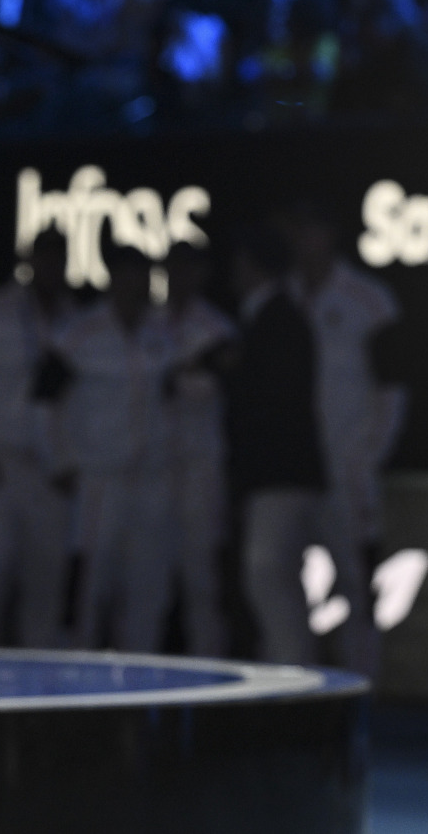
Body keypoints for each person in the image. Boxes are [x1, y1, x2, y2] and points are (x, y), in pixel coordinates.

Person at [285, 204, 396, 676]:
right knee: (286, 585)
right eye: (297, 229)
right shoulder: (281, 297)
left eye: (312, 227)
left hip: (347, 468)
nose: (303, 239)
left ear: (330, 233)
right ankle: (301, 703)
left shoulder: (370, 300)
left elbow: (395, 386)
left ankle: (361, 697)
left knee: (357, 583)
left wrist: (369, 454)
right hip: (290, 469)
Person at [0, 230, 76, 647]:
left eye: (59, 258)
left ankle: (40, 697)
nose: (52, 266)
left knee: (46, 579)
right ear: (29, 261)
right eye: (44, 257)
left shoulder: (77, 320)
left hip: (50, 473)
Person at [56, 246, 178, 652]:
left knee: (148, 586)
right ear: (113, 277)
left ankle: (138, 693)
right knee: (90, 583)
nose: (138, 284)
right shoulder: (78, 333)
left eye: (144, 275)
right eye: (130, 275)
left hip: (153, 479)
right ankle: (76, 682)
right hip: (99, 478)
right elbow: (44, 401)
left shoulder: (165, 331)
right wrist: (61, 460)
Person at [223, 226, 331, 665]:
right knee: (274, 579)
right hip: (279, 477)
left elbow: (272, 400)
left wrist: (231, 374)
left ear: (250, 265)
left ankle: (294, 686)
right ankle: (289, 676)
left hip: (279, 477)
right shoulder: (272, 316)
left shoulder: (278, 319)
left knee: (268, 576)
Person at [164, 241, 236, 657]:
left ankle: (209, 675)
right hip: (150, 469)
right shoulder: (148, 322)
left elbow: (209, 385)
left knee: (201, 581)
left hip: (200, 468)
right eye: (173, 268)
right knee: (145, 583)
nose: (179, 276)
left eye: (188, 268)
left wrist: (176, 379)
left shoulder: (218, 328)